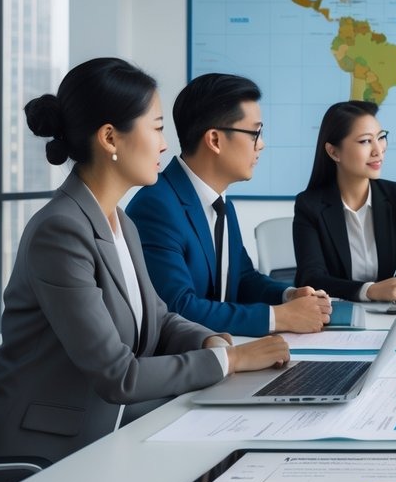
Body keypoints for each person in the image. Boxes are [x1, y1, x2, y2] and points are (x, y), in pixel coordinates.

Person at [0, 59, 289, 464]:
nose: (165, 145)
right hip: (35, 457)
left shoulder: (121, 222)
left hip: (103, 430)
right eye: (157, 127)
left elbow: (160, 317)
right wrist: (230, 359)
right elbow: (119, 375)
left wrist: (205, 339)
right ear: (111, 138)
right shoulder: (60, 232)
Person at [127, 74, 331, 336]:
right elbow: (177, 308)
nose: (262, 144)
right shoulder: (156, 207)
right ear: (214, 140)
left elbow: (243, 279)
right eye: (255, 133)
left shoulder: (222, 204)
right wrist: (279, 317)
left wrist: (288, 296)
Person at [292, 101, 396, 302]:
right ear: (333, 152)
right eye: (365, 141)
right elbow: (312, 278)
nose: (378, 150)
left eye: (381, 137)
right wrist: (370, 290)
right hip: (334, 316)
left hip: (387, 313)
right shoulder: (309, 205)